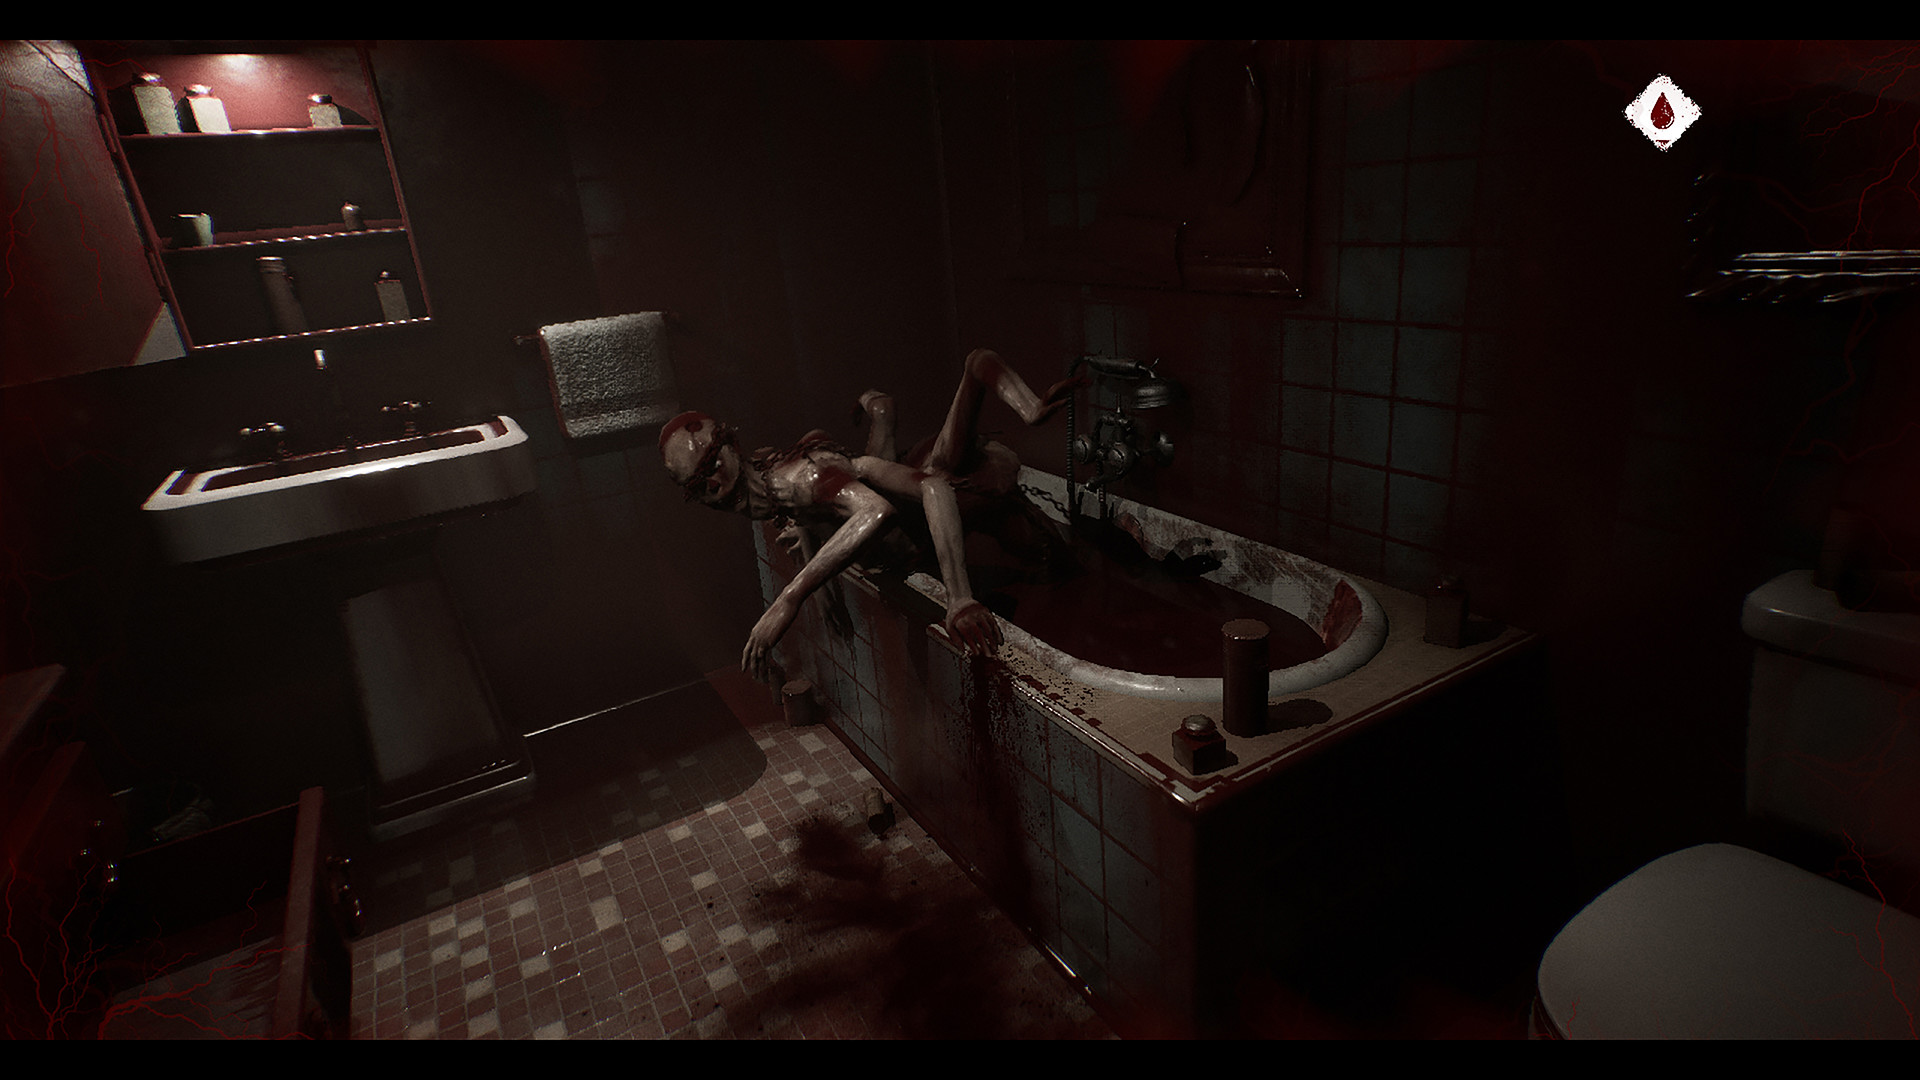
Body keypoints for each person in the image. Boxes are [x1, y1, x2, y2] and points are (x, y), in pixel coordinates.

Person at [661, 348, 1081, 680]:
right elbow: (812, 502)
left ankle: (900, 410)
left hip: (958, 494)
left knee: (1057, 570)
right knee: (880, 465)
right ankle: (880, 409)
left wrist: (959, 598)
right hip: (910, 497)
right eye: (698, 487)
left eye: (711, 467)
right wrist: (818, 579)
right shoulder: (772, 472)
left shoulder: (805, 478)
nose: (712, 488)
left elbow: (885, 506)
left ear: (730, 449)